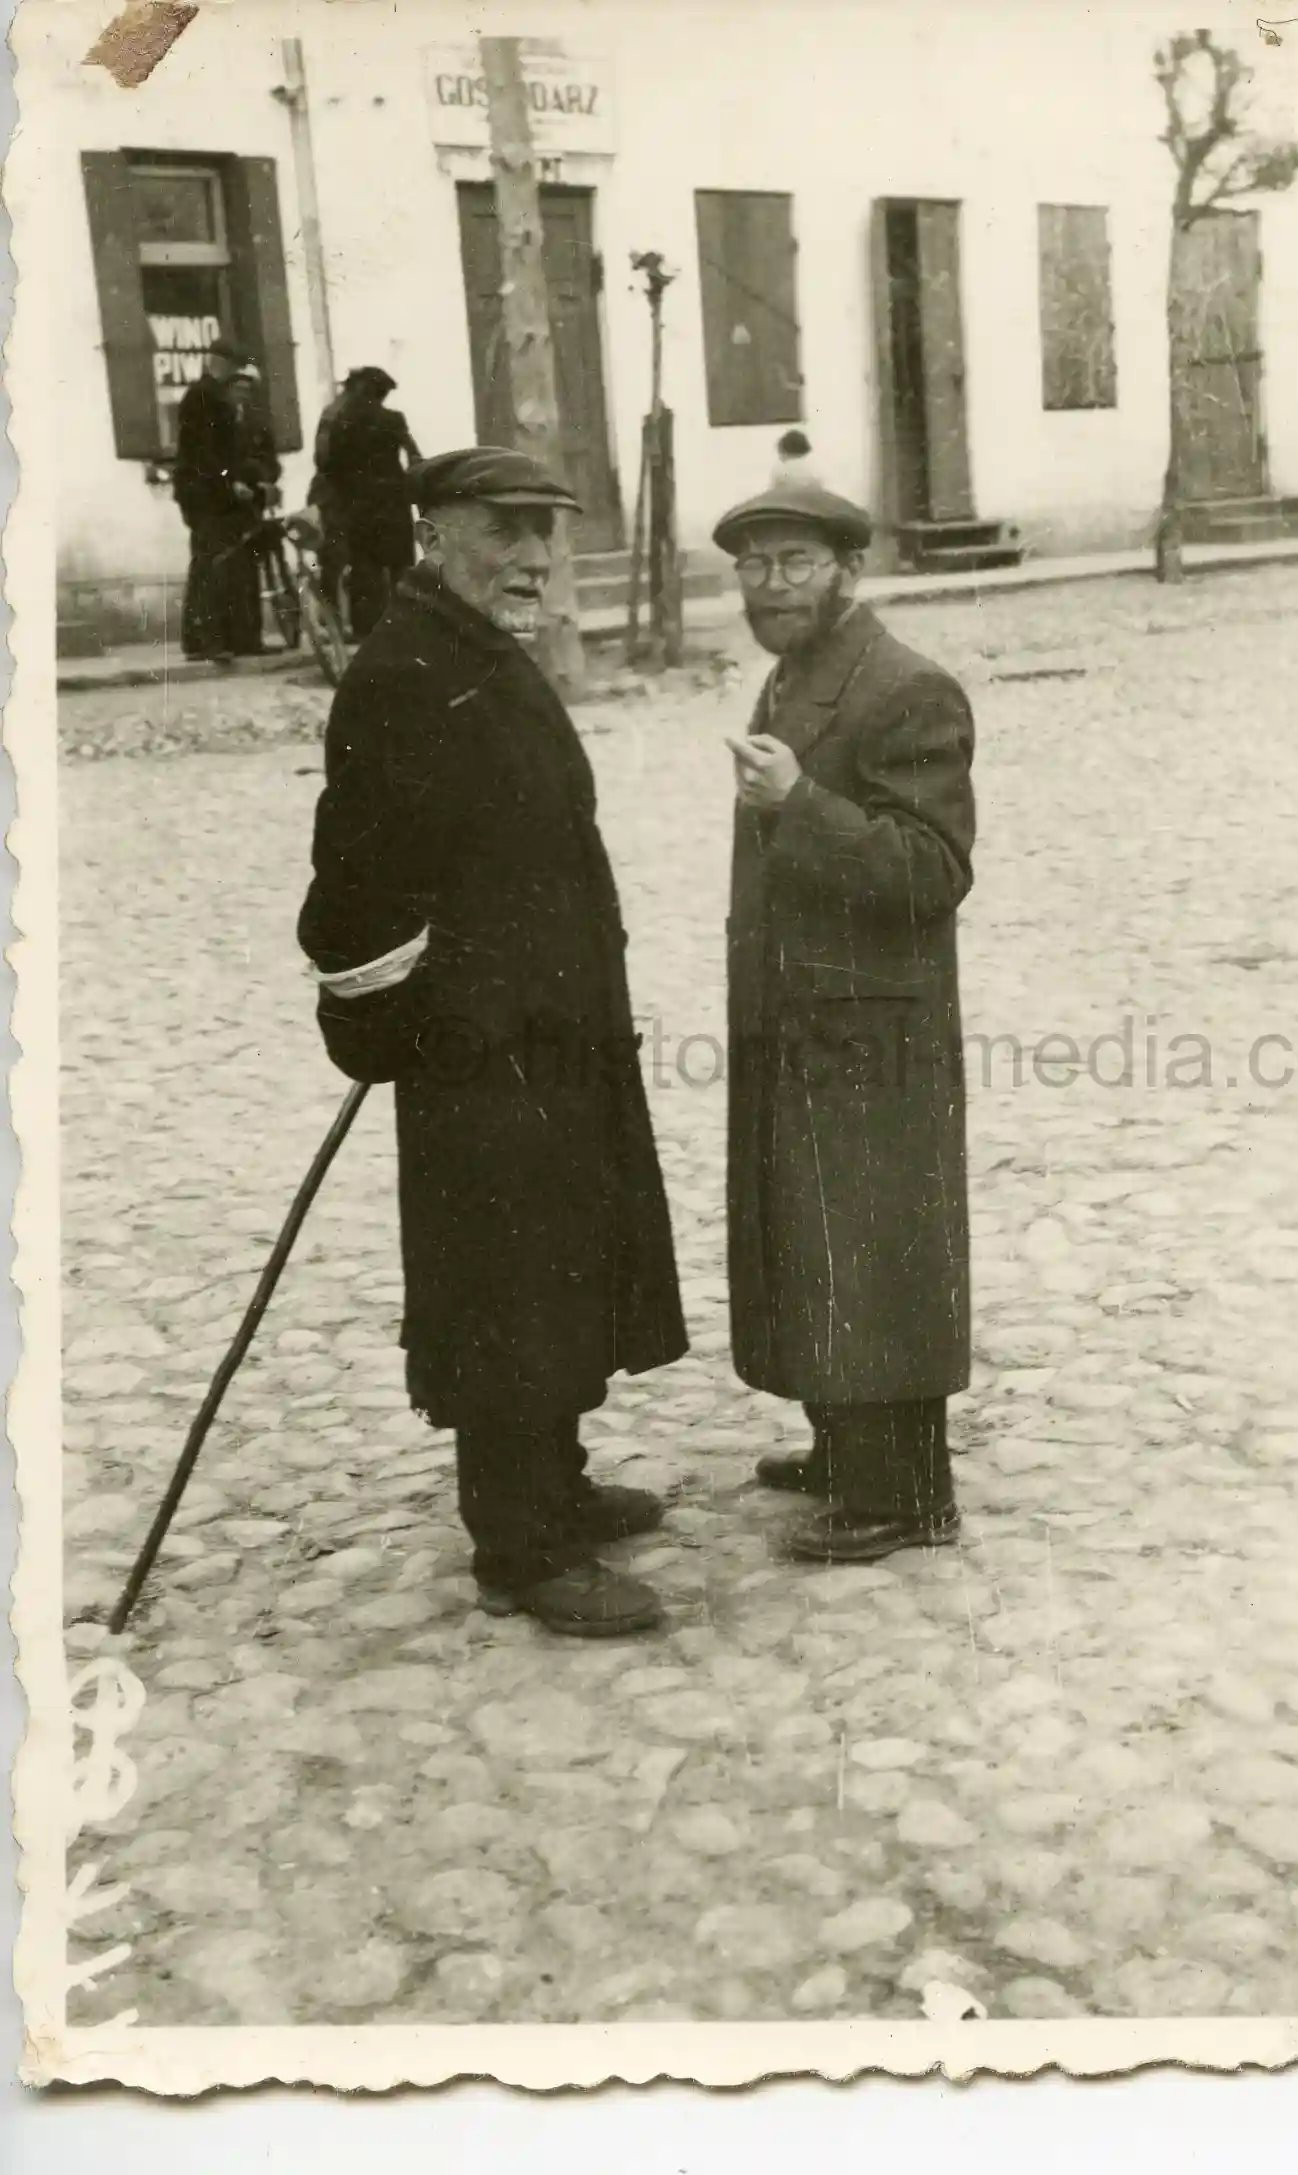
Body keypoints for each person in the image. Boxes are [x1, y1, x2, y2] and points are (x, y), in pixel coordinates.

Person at [298, 447, 691, 1636]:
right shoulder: (404, 672)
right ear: (436, 531)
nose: (531, 555)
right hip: (482, 1047)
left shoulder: (475, 648)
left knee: (565, 1260)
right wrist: (402, 1026)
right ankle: (519, 1547)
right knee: (506, 1287)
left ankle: (555, 1483)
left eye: (545, 532)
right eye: (503, 530)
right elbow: (353, 889)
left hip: (555, 1027)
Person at [715, 479, 977, 1562]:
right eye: (753, 568)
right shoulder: (796, 678)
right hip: (801, 1007)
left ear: (848, 572)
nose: (769, 586)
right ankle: (842, 1445)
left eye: (794, 565)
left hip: (873, 1028)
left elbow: (935, 870)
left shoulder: (907, 688)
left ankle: (904, 1494)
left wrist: (800, 807)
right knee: (813, 1237)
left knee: (876, 1247)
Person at [171, 339, 278, 661]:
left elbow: (230, 453)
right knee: (211, 564)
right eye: (232, 365)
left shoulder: (220, 399)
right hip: (205, 495)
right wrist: (229, 483)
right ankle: (204, 641)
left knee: (231, 564)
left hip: (221, 495)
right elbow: (204, 453)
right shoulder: (202, 397)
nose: (235, 372)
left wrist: (245, 481)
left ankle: (238, 638)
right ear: (217, 362)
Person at [308, 365, 424, 638]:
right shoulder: (394, 419)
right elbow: (415, 456)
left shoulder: (340, 420)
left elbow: (326, 463)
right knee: (399, 565)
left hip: (357, 503)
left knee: (364, 566)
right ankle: (403, 625)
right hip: (393, 501)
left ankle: (366, 628)